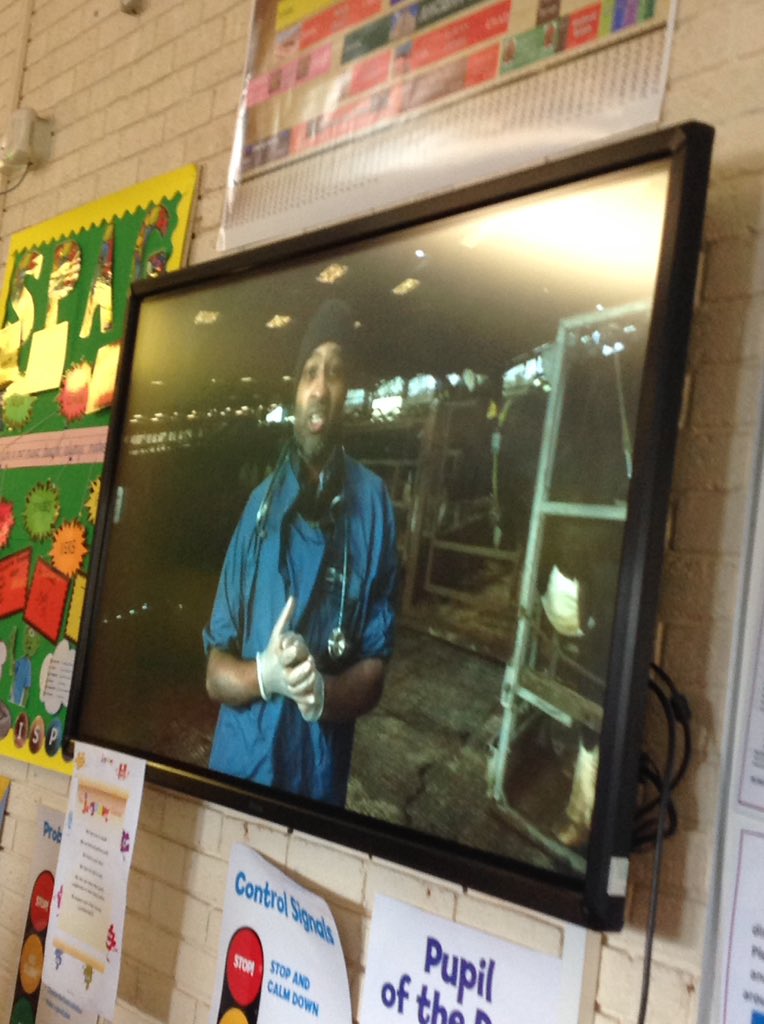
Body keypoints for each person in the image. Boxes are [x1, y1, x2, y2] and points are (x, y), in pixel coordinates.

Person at [203, 299, 398, 806]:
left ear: (346, 390)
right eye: (309, 372)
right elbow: (215, 674)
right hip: (239, 769)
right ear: (295, 391)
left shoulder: (372, 503)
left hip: (314, 780)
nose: (319, 388)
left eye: (334, 373)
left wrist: (323, 697)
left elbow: (374, 668)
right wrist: (262, 676)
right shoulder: (257, 510)